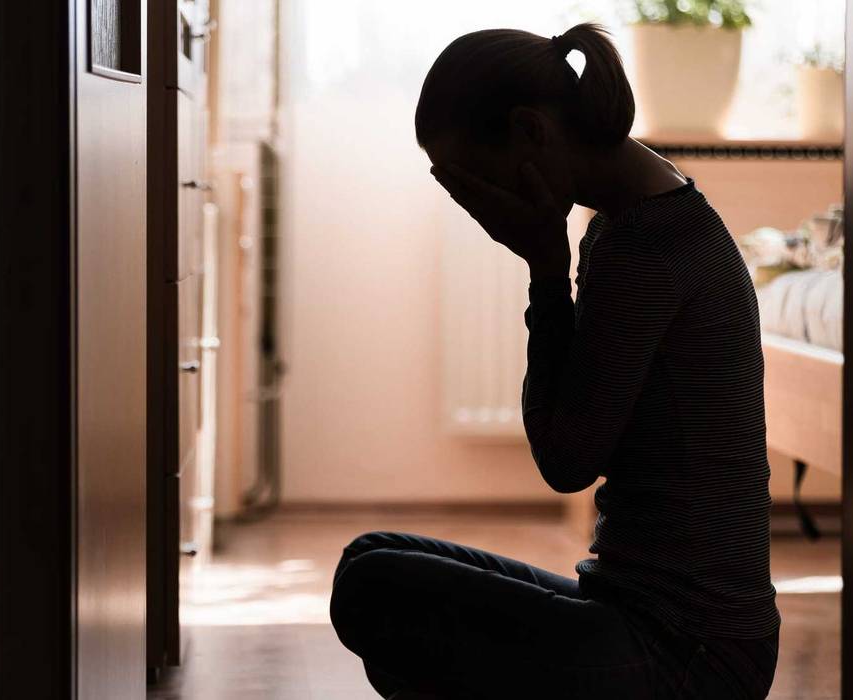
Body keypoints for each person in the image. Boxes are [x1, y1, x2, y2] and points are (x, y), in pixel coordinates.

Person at [329, 23, 780, 699]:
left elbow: (566, 462)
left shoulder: (644, 246)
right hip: (642, 614)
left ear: (530, 131)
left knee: (374, 588)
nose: (482, 206)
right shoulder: (638, 217)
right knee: (371, 560)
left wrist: (544, 268)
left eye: (477, 181)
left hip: (689, 652)